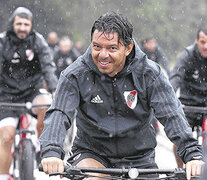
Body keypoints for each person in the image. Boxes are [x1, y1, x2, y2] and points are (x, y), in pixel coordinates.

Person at [40, 12, 204, 180]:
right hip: (91, 154)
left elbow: (172, 114)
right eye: (97, 47)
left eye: (112, 48)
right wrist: (52, 151)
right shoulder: (75, 74)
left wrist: (192, 155)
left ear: (128, 48)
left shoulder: (150, 74)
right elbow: (59, 112)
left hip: (139, 159)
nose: (103, 54)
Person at [0, 7, 58, 180]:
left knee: (46, 105)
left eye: (26, 24)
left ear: (31, 25)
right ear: (12, 24)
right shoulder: (3, 42)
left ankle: (40, 144)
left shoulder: (38, 41)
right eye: (19, 23)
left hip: (33, 90)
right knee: (7, 137)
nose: (23, 27)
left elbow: (48, 66)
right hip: (6, 95)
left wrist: (54, 89)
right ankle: (3, 176)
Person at [170, 26, 207, 169]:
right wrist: (172, 98)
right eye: (203, 42)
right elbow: (175, 77)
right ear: (196, 41)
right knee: (179, 139)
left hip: (206, 104)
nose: (206, 46)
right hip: (188, 103)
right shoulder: (187, 55)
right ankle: (180, 170)